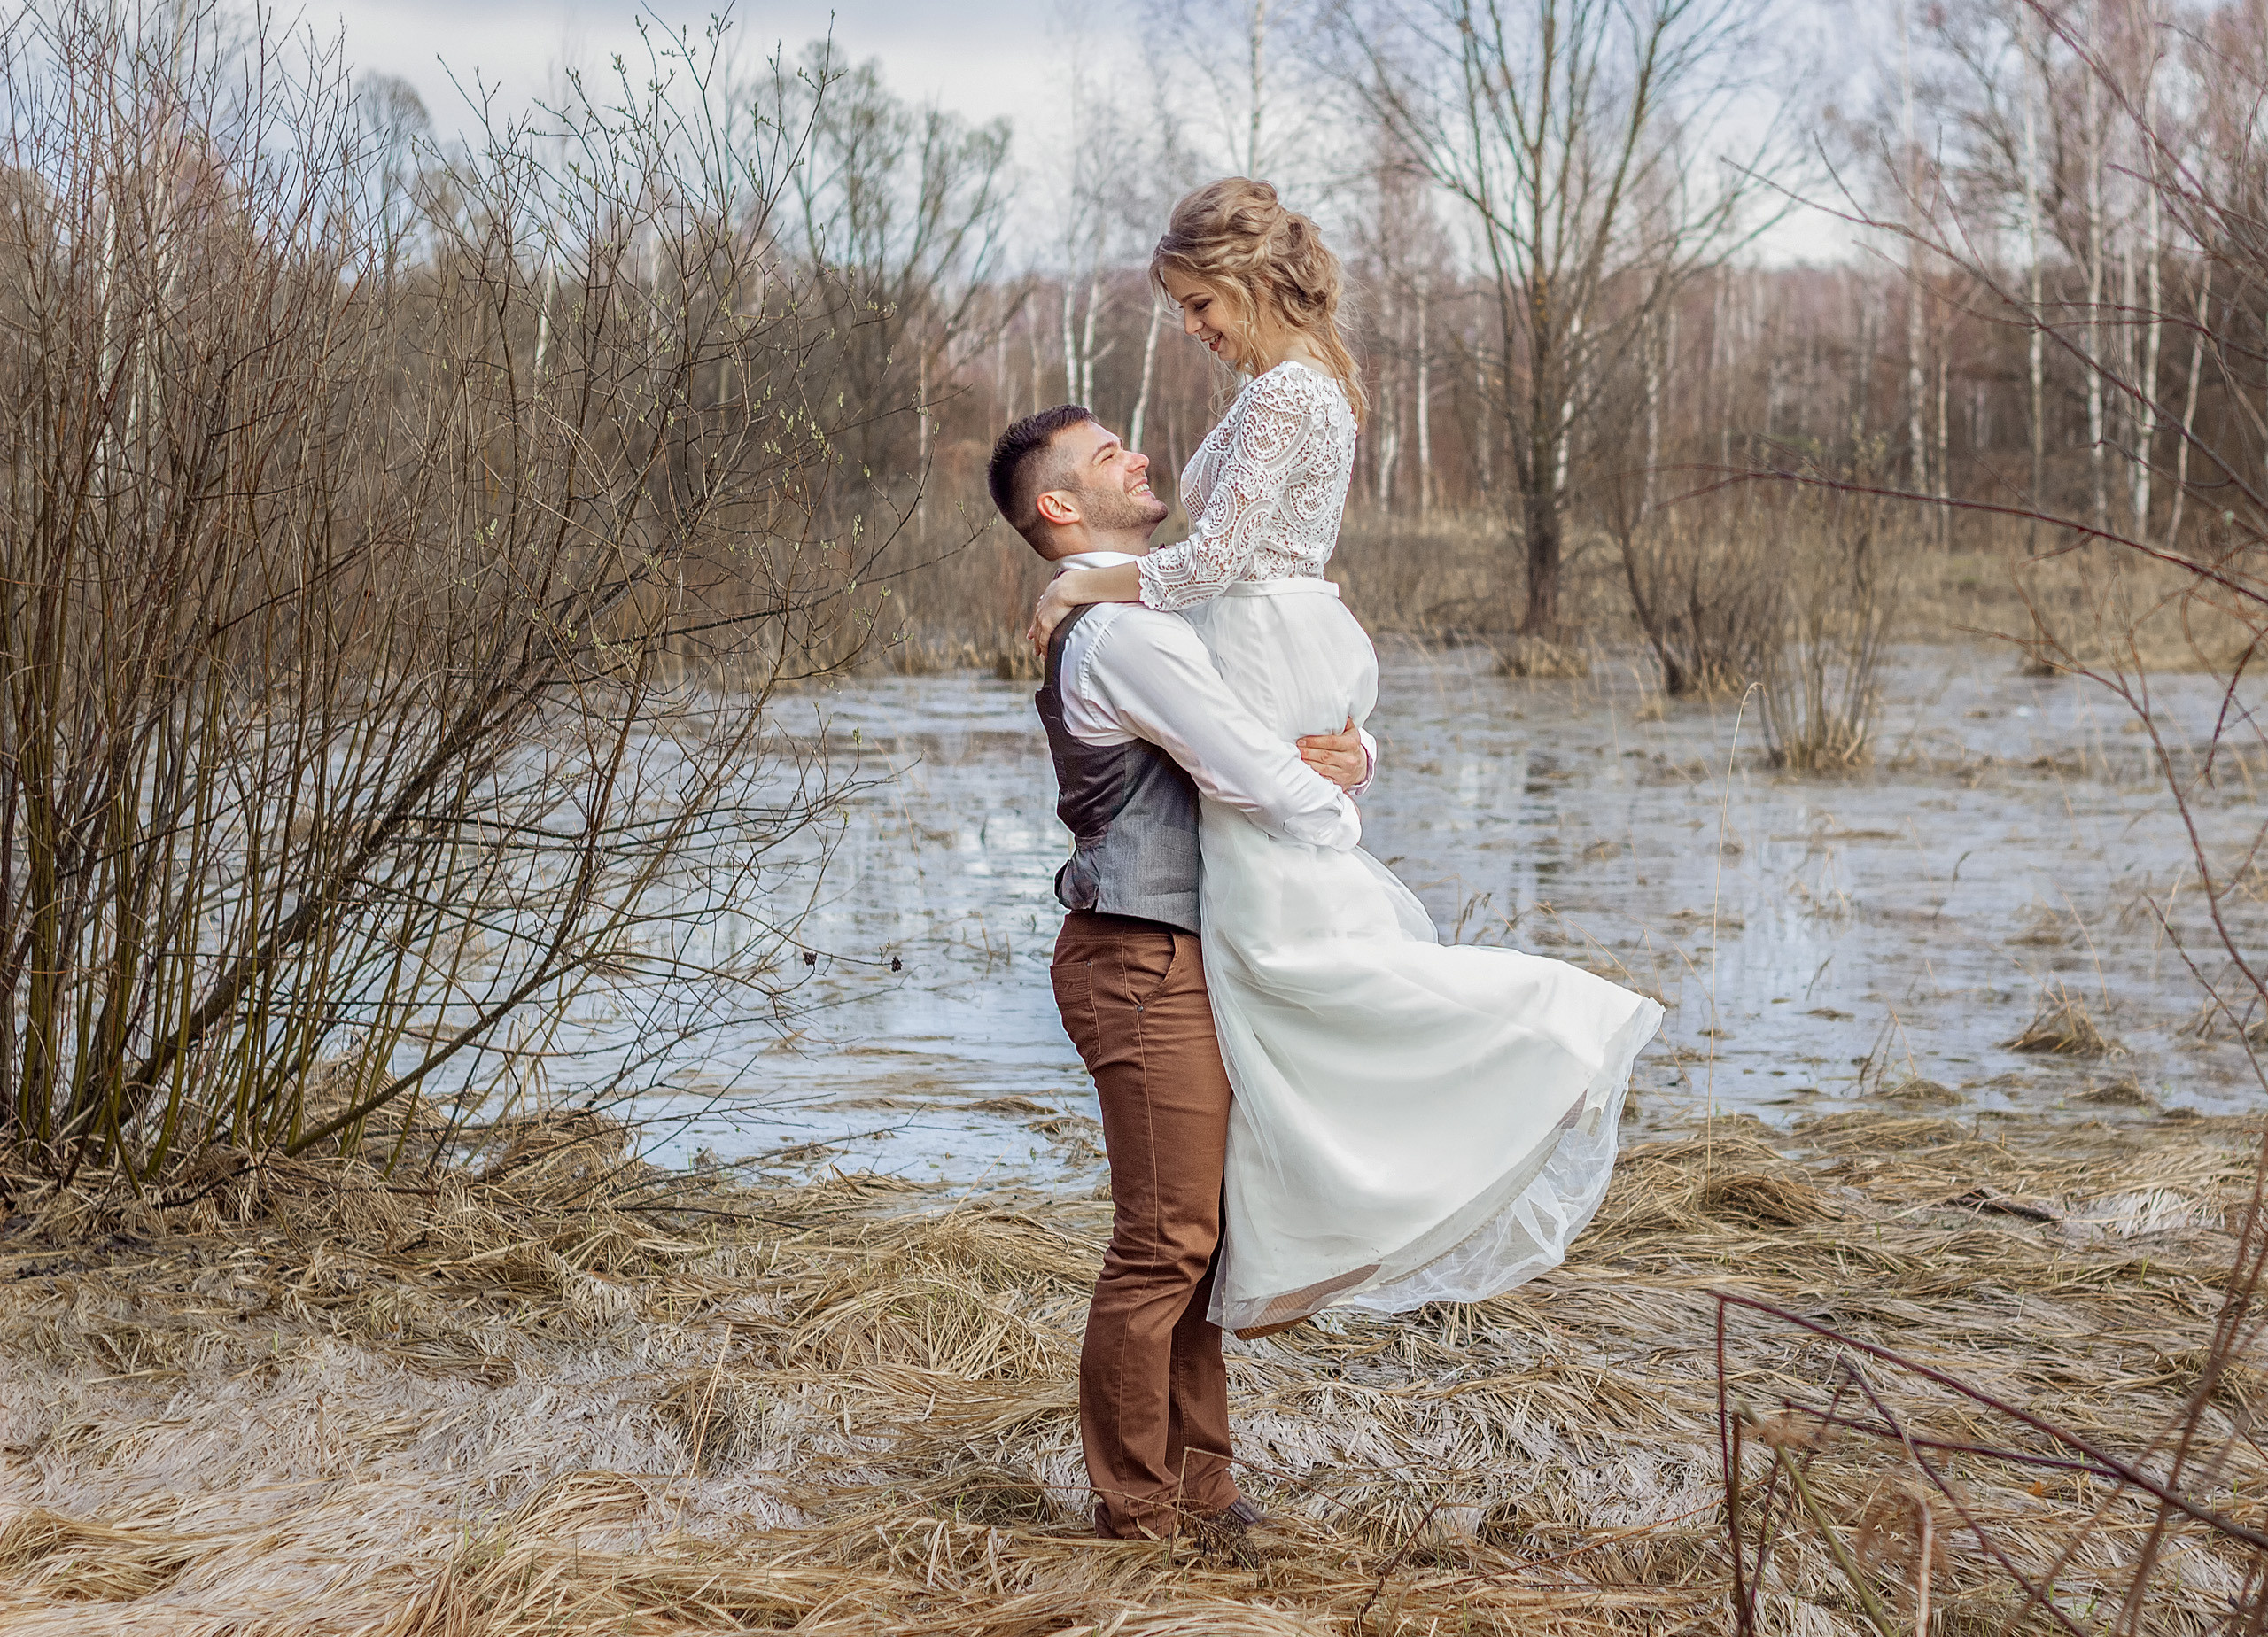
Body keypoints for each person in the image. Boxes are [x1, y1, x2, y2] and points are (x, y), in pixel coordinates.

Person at [1026, 178, 1663, 1338]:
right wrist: (1341, 742)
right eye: (1181, 308)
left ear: (1249, 280)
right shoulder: (1294, 390)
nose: (1191, 329)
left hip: (1258, 638)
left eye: (1196, 302)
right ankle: (1293, 1226)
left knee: (1290, 954)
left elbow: (1212, 562)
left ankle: (1529, 1043)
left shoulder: (1288, 396)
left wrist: (1081, 578)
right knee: (1284, 954)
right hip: (1271, 647)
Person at [984, 402, 1375, 1543]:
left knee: (1206, 1235)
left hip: (1196, 949)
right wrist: (1337, 816)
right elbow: (1257, 767)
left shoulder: (1161, 611)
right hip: (1139, 955)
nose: (1139, 456)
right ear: (1060, 507)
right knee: (1165, 1241)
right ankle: (1138, 1504)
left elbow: (1305, 720)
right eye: (1108, 456)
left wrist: (1353, 752)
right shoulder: (1122, 636)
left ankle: (1202, 1482)